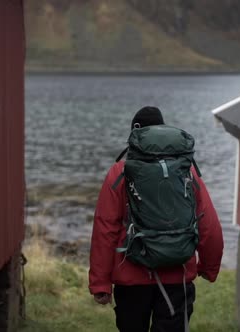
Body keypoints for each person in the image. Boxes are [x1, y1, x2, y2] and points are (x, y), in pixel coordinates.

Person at [89, 106, 224, 332]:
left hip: (130, 280)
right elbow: (208, 224)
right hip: (176, 278)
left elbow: (105, 229)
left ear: (135, 135)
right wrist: (208, 267)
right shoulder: (185, 171)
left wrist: (100, 283)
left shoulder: (120, 172)